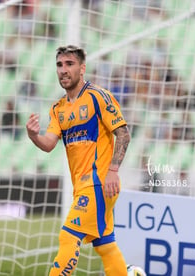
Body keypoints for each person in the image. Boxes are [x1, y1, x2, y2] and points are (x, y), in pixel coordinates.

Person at [26, 45, 131, 276]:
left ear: (82, 68)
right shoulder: (57, 109)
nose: (63, 70)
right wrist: (34, 136)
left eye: (69, 64)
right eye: (59, 65)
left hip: (99, 183)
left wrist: (113, 170)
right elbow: (49, 144)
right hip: (82, 187)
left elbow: (123, 133)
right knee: (105, 245)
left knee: (68, 236)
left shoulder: (97, 97)